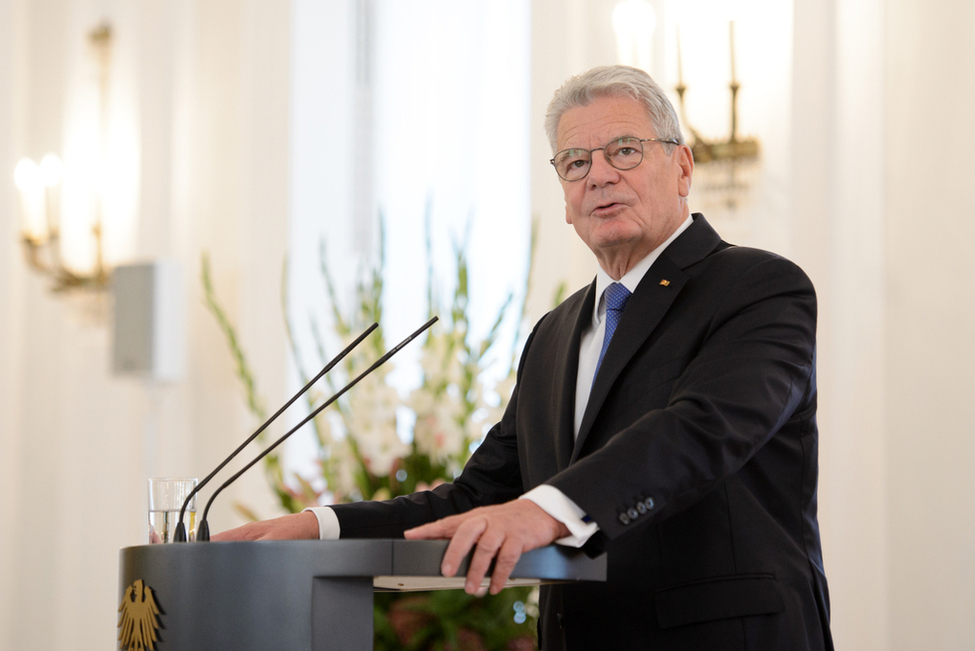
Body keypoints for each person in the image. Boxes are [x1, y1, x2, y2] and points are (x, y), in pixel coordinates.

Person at [216, 65, 833, 651]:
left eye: (624, 150)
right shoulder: (555, 333)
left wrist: (547, 511)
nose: (599, 176)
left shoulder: (757, 288)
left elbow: (699, 431)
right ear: (565, 196)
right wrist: (320, 527)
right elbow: (474, 499)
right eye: (575, 162)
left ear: (682, 166)